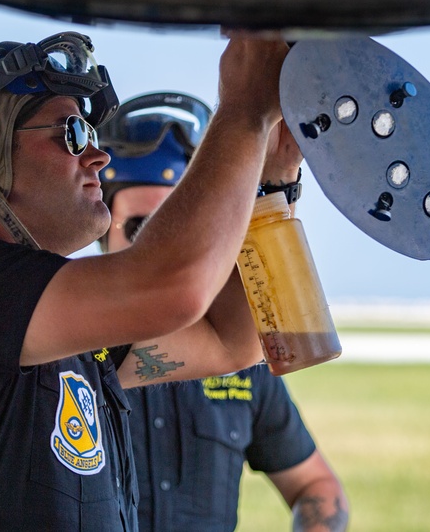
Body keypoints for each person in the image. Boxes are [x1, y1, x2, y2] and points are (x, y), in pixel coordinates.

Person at [0, 31, 290, 530]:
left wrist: (271, 177)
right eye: (73, 134)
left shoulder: (54, 319)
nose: (98, 157)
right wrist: (244, 112)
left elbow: (233, 338)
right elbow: (176, 287)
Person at [97, 92, 349, 532]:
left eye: (174, 230)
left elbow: (316, 486)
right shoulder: (73, 351)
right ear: (101, 228)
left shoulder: (243, 361)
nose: (159, 249)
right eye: (142, 228)